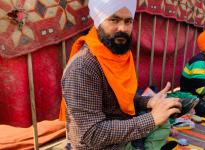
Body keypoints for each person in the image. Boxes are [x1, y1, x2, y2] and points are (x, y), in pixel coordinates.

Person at [61, 0, 182, 149]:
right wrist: (152, 119)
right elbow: (91, 134)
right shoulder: (83, 67)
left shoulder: (118, 55)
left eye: (128, 21)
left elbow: (118, 101)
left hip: (122, 137)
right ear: (99, 21)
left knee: (164, 121)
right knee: (158, 122)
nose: (123, 29)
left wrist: (148, 102)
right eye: (114, 19)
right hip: (99, 146)